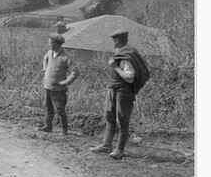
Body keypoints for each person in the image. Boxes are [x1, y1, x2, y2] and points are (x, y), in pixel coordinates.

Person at [90, 29, 150, 159]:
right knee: (110, 116)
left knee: (122, 119)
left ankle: (120, 150)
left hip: (123, 92)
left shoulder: (126, 56)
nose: (113, 42)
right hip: (113, 89)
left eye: (114, 40)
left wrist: (115, 67)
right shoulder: (120, 53)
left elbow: (130, 77)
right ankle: (106, 145)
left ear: (117, 40)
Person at [36, 33, 79, 136]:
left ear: (56, 44)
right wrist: (45, 70)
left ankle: (64, 130)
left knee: (60, 110)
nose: (49, 45)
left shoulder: (66, 56)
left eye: (50, 43)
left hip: (58, 90)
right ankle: (48, 127)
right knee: (48, 108)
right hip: (47, 86)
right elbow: (45, 59)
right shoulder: (50, 52)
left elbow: (76, 71)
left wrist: (66, 82)